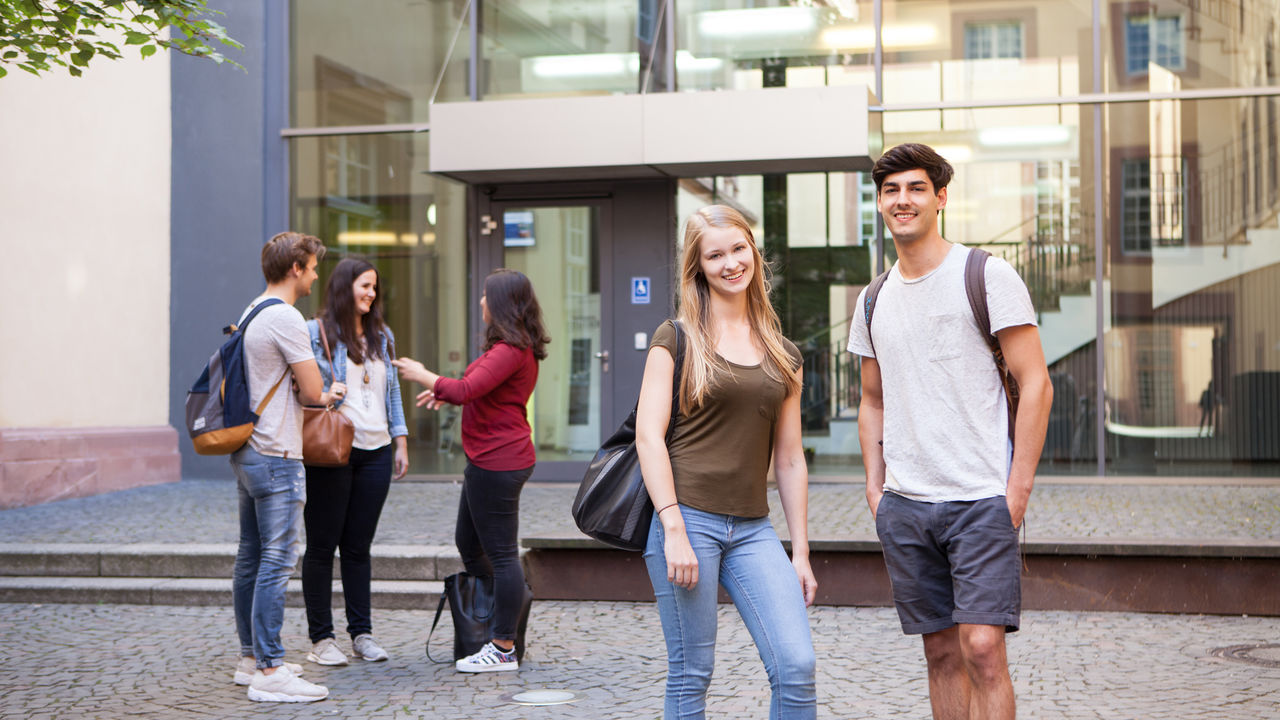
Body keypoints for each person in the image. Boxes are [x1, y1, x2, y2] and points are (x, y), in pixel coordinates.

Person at [848, 143, 1053, 720]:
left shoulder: (984, 274)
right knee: (939, 651)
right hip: (907, 504)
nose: (902, 200)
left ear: (940, 197)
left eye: (916, 188)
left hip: (981, 497)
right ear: (880, 203)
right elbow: (872, 400)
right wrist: (875, 486)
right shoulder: (872, 299)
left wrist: (1017, 491)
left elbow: (1036, 384)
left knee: (983, 649)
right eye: (891, 190)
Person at [635, 205, 818, 720]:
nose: (730, 263)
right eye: (715, 254)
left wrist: (799, 552)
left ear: (754, 254)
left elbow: (788, 458)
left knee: (796, 665)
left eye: (738, 249)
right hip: (687, 519)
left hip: (754, 530)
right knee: (692, 673)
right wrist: (672, 527)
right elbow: (648, 437)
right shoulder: (676, 338)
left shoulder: (784, 353)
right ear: (698, 267)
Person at [393, 268, 548, 673]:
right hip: (490, 459)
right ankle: (495, 619)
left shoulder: (511, 350)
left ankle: (502, 645)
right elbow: (476, 390)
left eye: (485, 295)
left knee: (501, 554)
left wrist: (424, 374)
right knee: (469, 542)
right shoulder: (511, 347)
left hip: (498, 462)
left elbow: (464, 389)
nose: (480, 301)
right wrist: (453, 394)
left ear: (500, 304)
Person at [230, 231, 342, 703]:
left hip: (248, 449)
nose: (316, 275)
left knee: (251, 557)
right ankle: (272, 671)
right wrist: (332, 393)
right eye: (313, 267)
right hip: (277, 453)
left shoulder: (251, 310)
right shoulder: (287, 318)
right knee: (276, 560)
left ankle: (250, 658)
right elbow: (314, 390)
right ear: (295, 268)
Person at [301, 258, 409, 667]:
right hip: (333, 449)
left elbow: (392, 393)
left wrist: (400, 441)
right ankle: (321, 638)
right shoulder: (317, 333)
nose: (371, 294)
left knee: (358, 547)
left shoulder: (383, 336)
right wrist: (330, 390)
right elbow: (306, 390)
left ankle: (361, 634)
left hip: (376, 451)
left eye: (375, 288)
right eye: (365, 285)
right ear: (345, 286)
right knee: (323, 544)